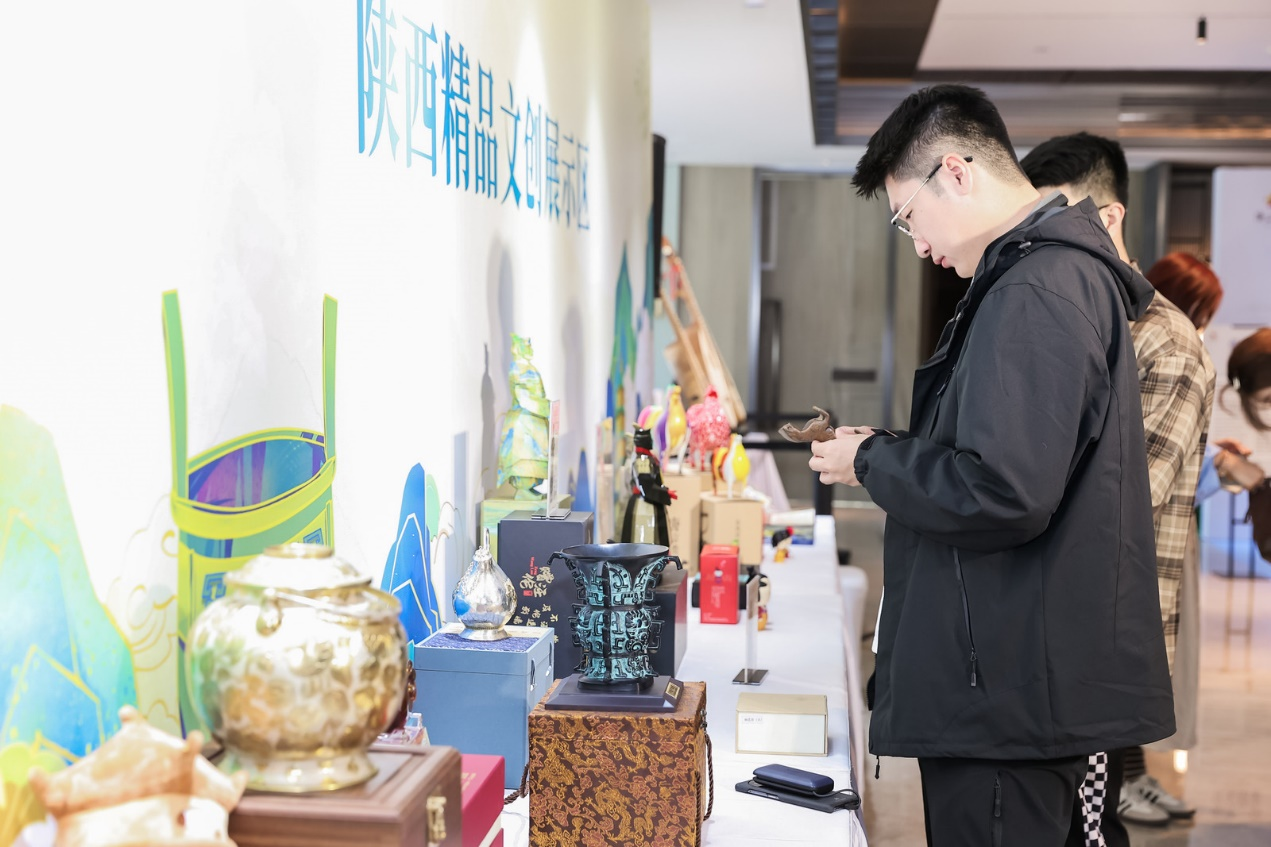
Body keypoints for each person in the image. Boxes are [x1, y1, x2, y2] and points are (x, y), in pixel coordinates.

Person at [811, 85, 1174, 847]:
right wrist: (888, 450)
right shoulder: (1039, 278)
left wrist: (871, 459)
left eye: (908, 216)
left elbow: (1002, 491)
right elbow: (1004, 456)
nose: (917, 244)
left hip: (1010, 694)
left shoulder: (1036, 288)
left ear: (955, 170)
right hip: (1019, 681)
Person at [1021, 134, 1217, 838]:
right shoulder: (1070, 317)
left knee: (1087, 825)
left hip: (1100, 637)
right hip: (1048, 626)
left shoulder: (1164, 340)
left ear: (1107, 219)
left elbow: (1125, 500)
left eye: (1056, 223)